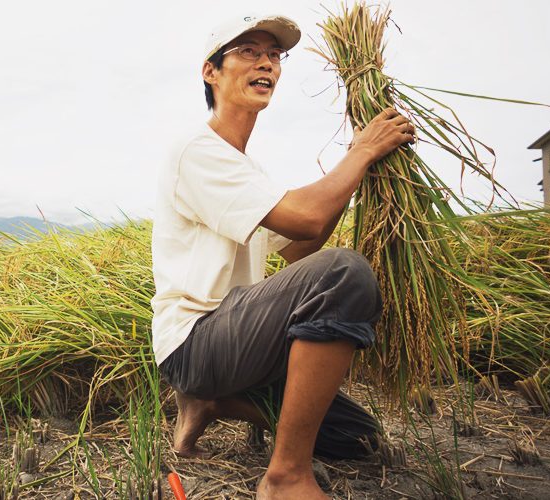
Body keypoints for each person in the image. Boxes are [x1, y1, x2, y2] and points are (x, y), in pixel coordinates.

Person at [150, 14, 416, 499]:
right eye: (249, 52)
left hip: (240, 344)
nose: (266, 63)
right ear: (211, 72)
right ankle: (286, 476)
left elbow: (298, 248)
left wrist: (358, 179)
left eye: (274, 55)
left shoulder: (248, 168)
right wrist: (361, 153)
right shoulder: (197, 150)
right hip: (196, 340)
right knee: (345, 273)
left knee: (356, 437)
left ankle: (212, 403)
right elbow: (307, 223)